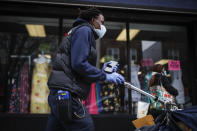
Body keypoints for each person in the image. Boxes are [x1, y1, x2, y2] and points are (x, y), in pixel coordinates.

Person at [46, 8, 125, 131]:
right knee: (85, 127)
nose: (103, 26)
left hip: (60, 93)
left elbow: (77, 67)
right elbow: (79, 64)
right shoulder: (84, 30)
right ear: (93, 20)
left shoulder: (78, 31)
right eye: (101, 22)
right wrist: (106, 76)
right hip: (68, 93)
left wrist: (102, 71)